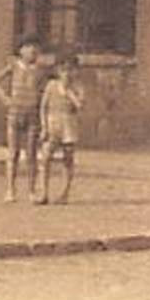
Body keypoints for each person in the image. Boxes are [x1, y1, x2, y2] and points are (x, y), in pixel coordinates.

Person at [0, 34, 47, 202]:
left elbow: (45, 89)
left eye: (35, 48)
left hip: (33, 114)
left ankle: (31, 190)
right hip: (15, 113)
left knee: (31, 154)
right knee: (12, 153)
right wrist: (4, 98)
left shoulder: (40, 70)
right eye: (28, 47)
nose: (32, 51)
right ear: (21, 50)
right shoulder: (14, 66)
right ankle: (10, 189)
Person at [37, 53, 84, 205]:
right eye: (63, 70)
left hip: (69, 124)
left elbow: (80, 106)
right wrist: (44, 126)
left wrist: (69, 93)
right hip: (52, 122)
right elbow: (43, 106)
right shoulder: (51, 85)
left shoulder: (78, 87)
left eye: (71, 70)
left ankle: (65, 193)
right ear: (58, 71)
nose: (67, 73)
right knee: (45, 157)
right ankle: (44, 192)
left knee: (68, 158)